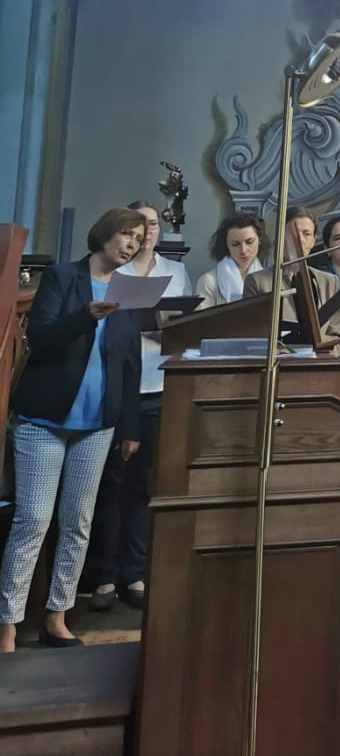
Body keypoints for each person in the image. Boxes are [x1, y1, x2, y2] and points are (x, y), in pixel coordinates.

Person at [0, 209, 145, 651]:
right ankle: (7, 624)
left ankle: (57, 617)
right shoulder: (63, 277)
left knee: (78, 523)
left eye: (139, 239)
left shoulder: (129, 292)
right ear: (105, 233)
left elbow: (130, 366)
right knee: (32, 520)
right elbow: (41, 337)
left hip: (97, 426)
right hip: (44, 421)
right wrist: (86, 315)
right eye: (126, 234)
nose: (132, 244)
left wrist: (129, 427)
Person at [88, 200, 192, 612]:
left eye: (152, 224)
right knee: (110, 484)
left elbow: (188, 325)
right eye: (138, 225)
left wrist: (171, 323)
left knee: (144, 485)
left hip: (160, 381)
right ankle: (103, 576)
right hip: (117, 386)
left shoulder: (175, 271)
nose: (147, 231)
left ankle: (134, 573)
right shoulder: (117, 269)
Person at [242, 206, 340, 350]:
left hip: (320, 361)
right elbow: (254, 339)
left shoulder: (330, 282)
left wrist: (320, 352)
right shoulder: (257, 282)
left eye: (306, 234)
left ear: (313, 241)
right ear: (280, 236)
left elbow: (337, 341)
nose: (299, 239)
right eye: (292, 233)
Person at [196, 211, 269, 308]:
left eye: (249, 242)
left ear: (260, 240)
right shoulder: (209, 281)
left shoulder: (268, 280)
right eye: (235, 244)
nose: (243, 250)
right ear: (226, 245)